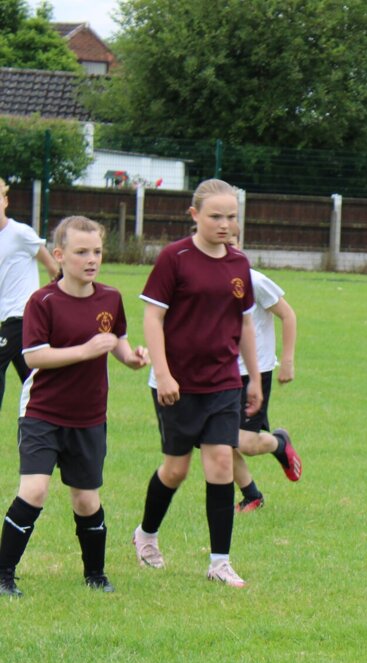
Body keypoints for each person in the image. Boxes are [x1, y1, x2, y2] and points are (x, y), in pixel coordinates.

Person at [0, 216, 149, 597]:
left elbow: (117, 341)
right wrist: (85, 350)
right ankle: (3, 574)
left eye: (97, 251)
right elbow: (33, 357)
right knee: (34, 491)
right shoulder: (42, 301)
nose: (91, 259)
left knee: (86, 500)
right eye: (81, 252)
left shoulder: (110, 298)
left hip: (89, 417)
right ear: (59, 255)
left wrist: (132, 358)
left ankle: (95, 574)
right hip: (42, 414)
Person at [133, 179, 261, 589]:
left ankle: (219, 562)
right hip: (177, 383)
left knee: (222, 463)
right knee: (175, 470)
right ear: (194, 216)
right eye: (216, 216)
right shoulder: (175, 258)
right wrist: (165, 373)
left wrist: (254, 377)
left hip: (223, 381)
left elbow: (244, 324)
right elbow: (152, 318)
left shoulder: (239, 263)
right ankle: (146, 535)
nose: (225, 225)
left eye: (232, 217)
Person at [229, 224, 302, 513]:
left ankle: (279, 443)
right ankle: (252, 496)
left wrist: (287, 361)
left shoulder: (254, 280)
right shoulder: (203, 281)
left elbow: (288, 314)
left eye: (232, 240)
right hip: (218, 373)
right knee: (216, 441)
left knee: (242, 442)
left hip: (253, 372)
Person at [0, 177, 60, 411]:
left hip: (23, 315)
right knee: (32, 375)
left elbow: (52, 267)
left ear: (5, 201)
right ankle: (49, 411)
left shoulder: (20, 233)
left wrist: (53, 302)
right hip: (7, 317)